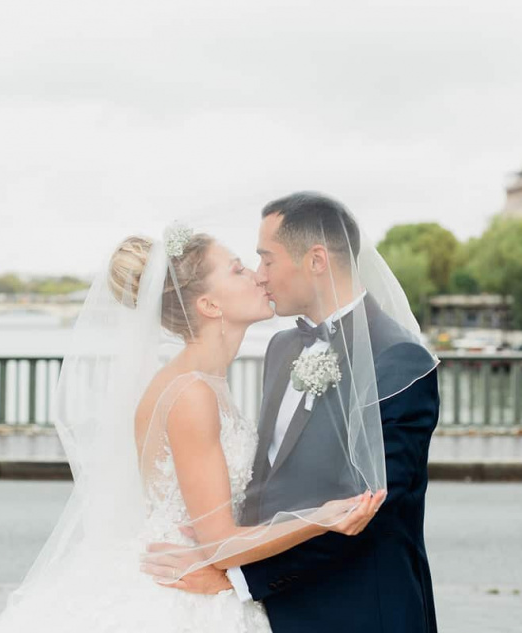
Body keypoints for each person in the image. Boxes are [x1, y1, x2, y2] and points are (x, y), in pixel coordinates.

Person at [0, 222, 384, 633]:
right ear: (210, 305)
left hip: (189, 577)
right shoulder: (192, 393)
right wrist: (320, 519)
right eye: (236, 270)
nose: (257, 274)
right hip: (178, 596)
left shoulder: (200, 381)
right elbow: (217, 542)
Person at [145, 193, 441, 633]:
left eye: (267, 260)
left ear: (316, 260)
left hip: (358, 612)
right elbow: (269, 483)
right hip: (275, 611)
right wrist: (219, 541)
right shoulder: (283, 347)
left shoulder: (398, 360)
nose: (260, 276)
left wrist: (238, 576)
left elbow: (373, 508)